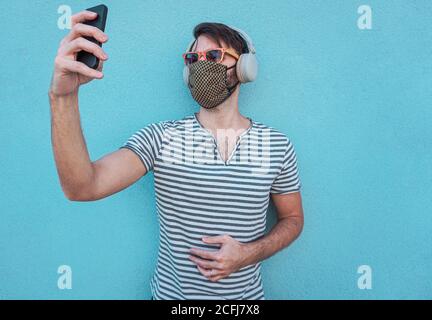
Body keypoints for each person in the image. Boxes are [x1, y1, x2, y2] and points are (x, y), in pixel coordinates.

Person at [49, 10, 304, 300]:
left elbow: (293, 218)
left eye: (215, 55)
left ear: (246, 66)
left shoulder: (277, 145)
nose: (201, 65)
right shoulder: (160, 138)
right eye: (193, 59)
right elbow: (83, 187)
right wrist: (63, 97)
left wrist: (248, 254)